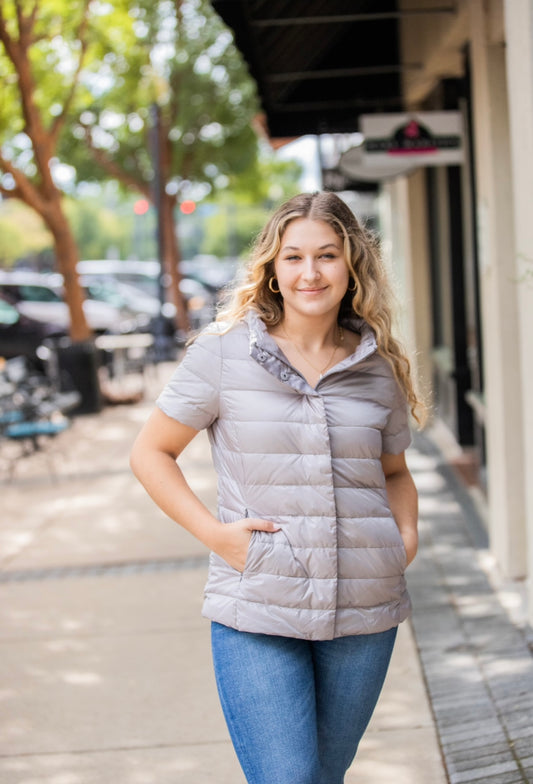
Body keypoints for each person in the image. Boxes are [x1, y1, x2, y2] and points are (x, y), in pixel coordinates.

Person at [130, 191, 424, 784]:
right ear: (272, 267)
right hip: (257, 602)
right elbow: (150, 453)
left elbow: (393, 471)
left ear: (352, 265)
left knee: (324, 775)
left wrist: (405, 537)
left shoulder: (378, 367)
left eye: (327, 255)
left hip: (365, 609)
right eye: (293, 257)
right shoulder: (223, 354)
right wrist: (217, 536)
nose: (309, 273)